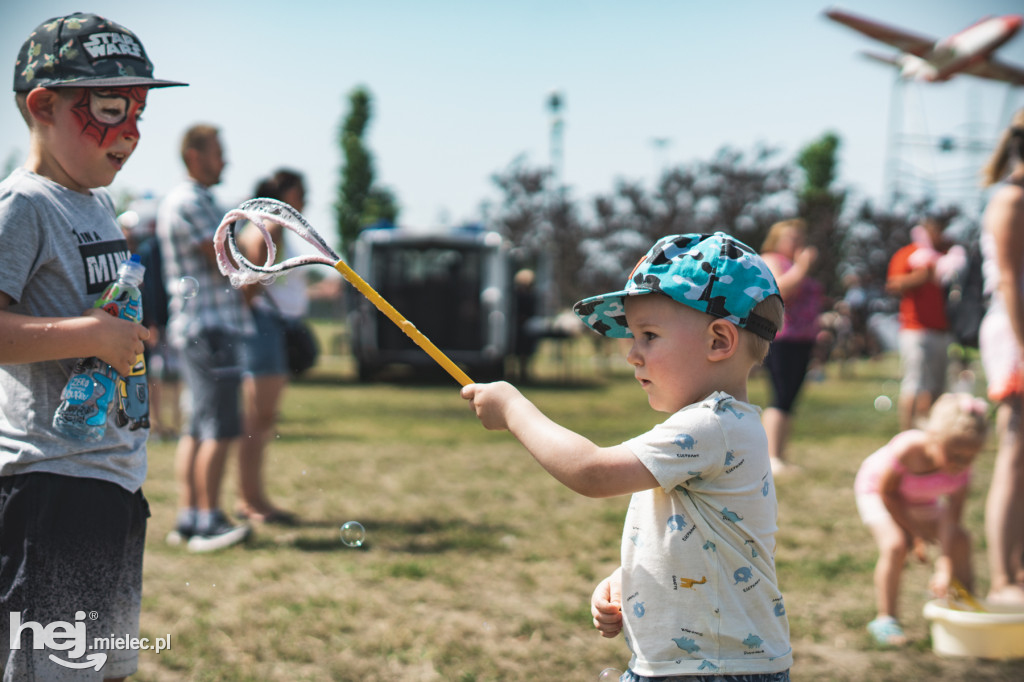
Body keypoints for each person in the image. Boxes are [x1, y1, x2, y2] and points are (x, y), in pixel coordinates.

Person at [463, 233, 792, 680]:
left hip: (709, 671)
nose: (631, 354)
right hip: (695, 664)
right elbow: (699, 540)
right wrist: (629, 578)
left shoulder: (710, 425)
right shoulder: (721, 426)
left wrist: (513, 408)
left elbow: (591, 473)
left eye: (649, 336)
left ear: (719, 341)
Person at [0, 13, 184, 680]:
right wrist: (90, 335)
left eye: (138, 110)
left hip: (111, 480)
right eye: (110, 109)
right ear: (43, 107)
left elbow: (102, 315)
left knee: (101, 669)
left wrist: (126, 338)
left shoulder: (97, 206)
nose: (131, 131)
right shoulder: (24, 206)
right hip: (50, 487)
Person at [157, 124, 254, 552]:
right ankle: (209, 520)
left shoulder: (194, 200)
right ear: (195, 155)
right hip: (210, 329)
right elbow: (227, 261)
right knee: (219, 426)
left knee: (197, 426)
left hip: (201, 328)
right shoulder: (191, 201)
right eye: (219, 151)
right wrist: (260, 243)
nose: (226, 160)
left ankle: (190, 518)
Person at [854, 393, 987, 646]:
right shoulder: (909, 449)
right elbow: (888, 493)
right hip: (878, 493)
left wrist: (944, 567)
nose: (962, 464)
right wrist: (914, 534)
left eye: (970, 457)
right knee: (895, 545)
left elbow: (951, 520)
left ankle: (967, 606)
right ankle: (886, 619)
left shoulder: (963, 467)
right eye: (955, 455)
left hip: (921, 500)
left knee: (960, 540)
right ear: (934, 438)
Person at [235, 169, 309, 524]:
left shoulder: (274, 226)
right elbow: (249, 277)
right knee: (256, 420)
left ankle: (253, 497)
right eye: (299, 191)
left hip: (269, 328)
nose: (305, 198)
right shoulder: (269, 226)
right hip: (263, 328)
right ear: (282, 193)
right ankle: (250, 501)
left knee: (262, 420)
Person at [978, 108, 1024, 604]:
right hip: (1014, 335)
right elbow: (1010, 280)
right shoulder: (1011, 200)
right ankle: (1003, 580)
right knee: (1015, 452)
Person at [759, 219, 823, 475]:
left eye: (799, 237)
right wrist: (803, 266)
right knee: (780, 396)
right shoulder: (772, 259)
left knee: (790, 400)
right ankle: (771, 457)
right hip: (781, 338)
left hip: (803, 339)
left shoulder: (795, 265)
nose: (796, 243)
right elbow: (781, 289)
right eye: (790, 238)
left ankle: (781, 455)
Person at [886, 215, 954, 430]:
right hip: (916, 329)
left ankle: (931, 431)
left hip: (943, 330)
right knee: (915, 384)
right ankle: (908, 432)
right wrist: (921, 275)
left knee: (937, 387)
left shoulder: (945, 255)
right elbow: (893, 285)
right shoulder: (908, 254)